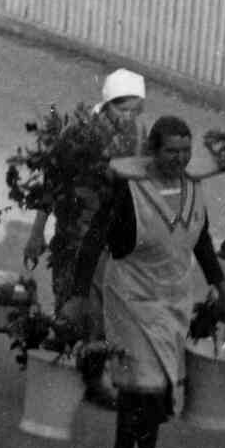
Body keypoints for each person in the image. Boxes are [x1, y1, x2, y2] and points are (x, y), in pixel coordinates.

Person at [88, 113, 225, 448]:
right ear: (152, 151)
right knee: (149, 387)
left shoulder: (193, 189)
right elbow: (96, 237)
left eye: (186, 152)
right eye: (171, 151)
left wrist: (217, 280)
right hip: (130, 296)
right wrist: (78, 295)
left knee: (142, 383)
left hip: (173, 298)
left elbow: (200, 237)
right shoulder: (129, 191)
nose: (179, 159)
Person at [48, 69, 150, 410]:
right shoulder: (79, 133)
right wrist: (37, 231)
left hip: (111, 229)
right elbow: (54, 184)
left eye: (136, 110)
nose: (129, 118)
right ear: (107, 104)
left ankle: (92, 375)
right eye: (123, 110)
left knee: (104, 303)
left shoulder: (139, 132)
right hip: (76, 228)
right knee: (73, 296)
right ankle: (61, 372)